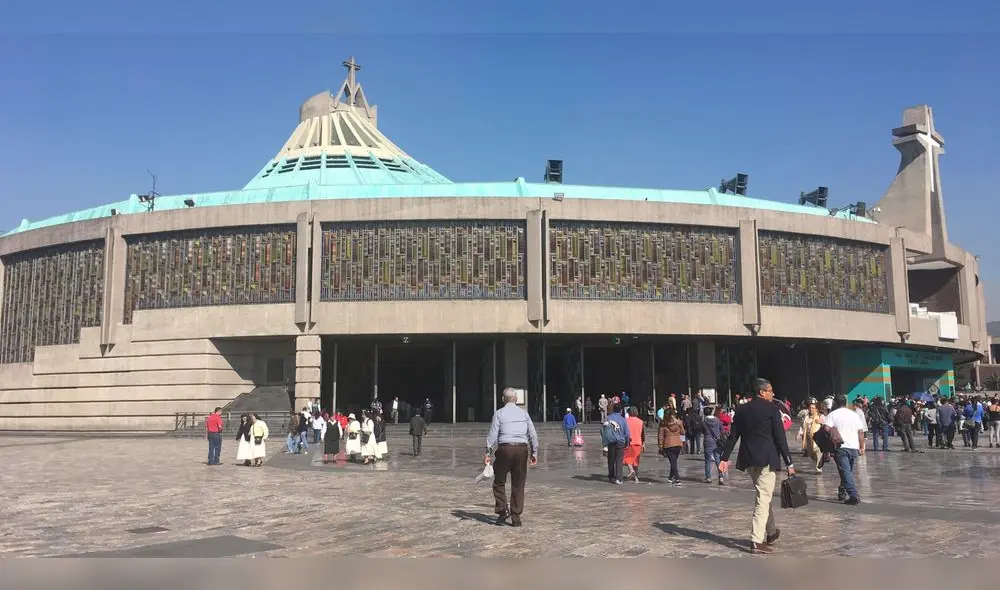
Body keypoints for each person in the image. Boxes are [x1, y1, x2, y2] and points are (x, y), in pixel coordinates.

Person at [719, 378, 795, 555]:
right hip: (766, 460)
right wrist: (789, 462)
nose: (773, 393)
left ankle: (771, 532)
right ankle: (756, 540)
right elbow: (780, 439)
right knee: (762, 499)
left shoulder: (741, 409)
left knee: (764, 495)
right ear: (762, 392)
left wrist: (724, 458)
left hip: (749, 460)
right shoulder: (772, 410)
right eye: (770, 390)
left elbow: (733, 436)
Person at [485, 387, 539, 527]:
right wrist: (534, 452)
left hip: (505, 448)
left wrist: (488, 453)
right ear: (516, 399)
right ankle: (516, 516)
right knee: (518, 483)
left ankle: (503, 510)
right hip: (522, 449)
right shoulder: (524, 414)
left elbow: (492, 435)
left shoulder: (499, 413)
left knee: (499, 481)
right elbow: (532, 434)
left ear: (503, 399)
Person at [825, 394, 866, 505]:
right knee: (847, 471)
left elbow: (826, 429)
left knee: (845, 472)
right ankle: (842, 491)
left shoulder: (832, 415)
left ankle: (853, 495)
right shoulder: (854, 415)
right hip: (853, 447)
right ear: (846, 403)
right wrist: (862, 446)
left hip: (840, 447)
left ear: (835, 403)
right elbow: (860, 432)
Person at [658, 409, 684, 486]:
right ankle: (670, 477)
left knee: (673, 462)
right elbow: (683, 432)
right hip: (678, 444)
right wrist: (680, 424)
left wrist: (660, 447)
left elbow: (661, 436)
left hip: (668, 444)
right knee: (674, 461)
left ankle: (677, 478)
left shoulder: (663, 424)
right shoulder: (678, 423)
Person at [702, 405, 726, 485]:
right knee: (718, 459)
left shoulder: (704, 421)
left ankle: (708, 477)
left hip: (708, 441)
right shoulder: (718, 420)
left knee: (708, 460)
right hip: (717, 442)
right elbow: (722, 430)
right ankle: (721, 477)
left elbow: (703, 431)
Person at [623, 406, 645, 482]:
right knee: (636, 461)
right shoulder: (641, 421)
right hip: (638, 442)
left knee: (627, 458)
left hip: (628, 442)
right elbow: (642, 434)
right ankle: (636, 477)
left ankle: (631, 470)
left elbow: (624, 433)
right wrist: (643, 443)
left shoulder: (625, 421)